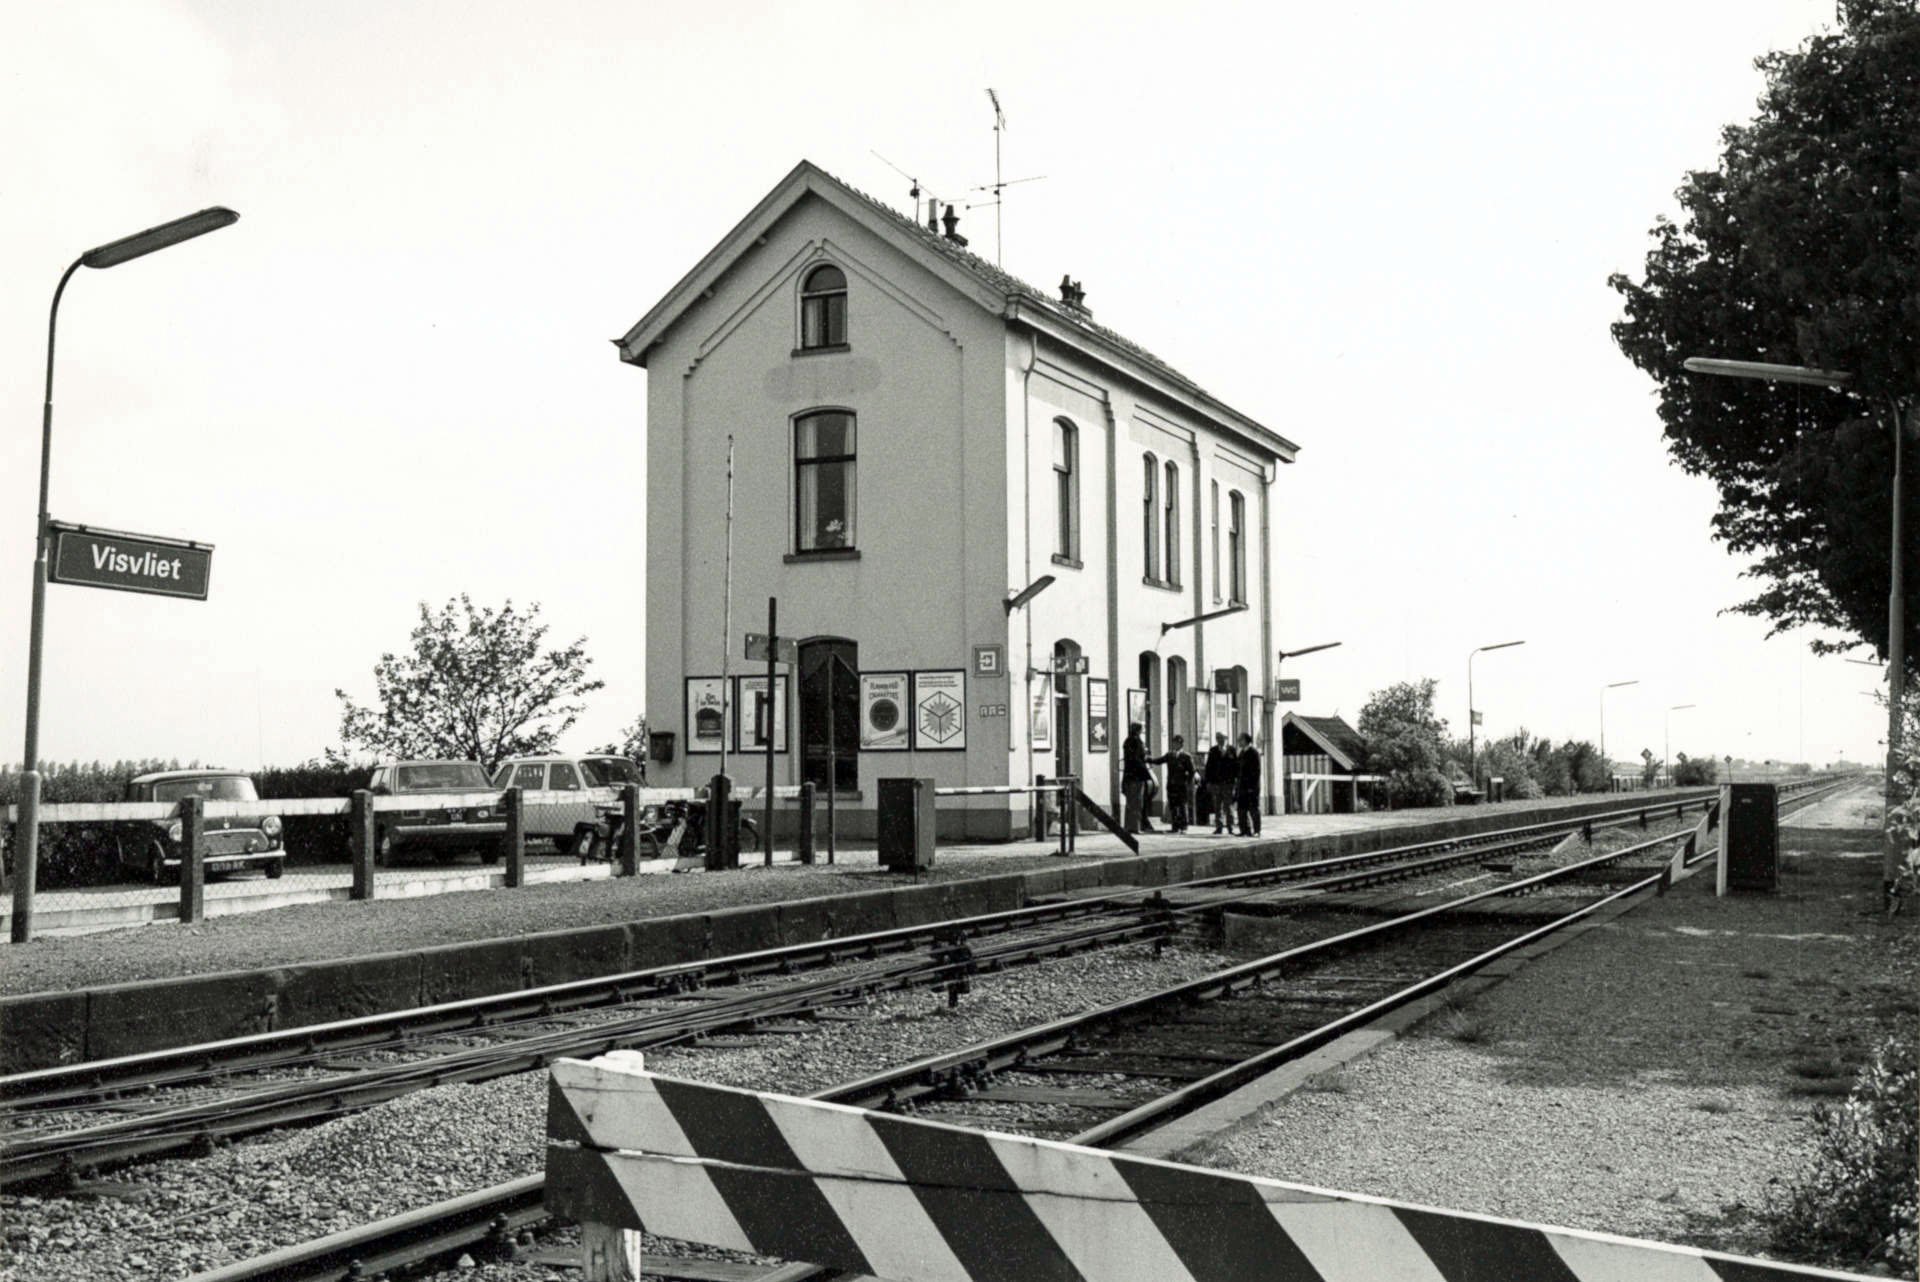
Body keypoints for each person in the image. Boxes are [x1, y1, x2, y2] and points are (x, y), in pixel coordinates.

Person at [1150, 734, 1195, 832]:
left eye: (1177, 743)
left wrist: (1188, 782)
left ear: (1181, 744)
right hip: (1171, 784)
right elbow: (1160, 760)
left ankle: (1184, 826)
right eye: (1173, 743)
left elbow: (1192, 771)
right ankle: (1175, 826)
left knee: (1182, 805)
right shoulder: (1170, 755)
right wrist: (1149, 760)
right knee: (1173, 805)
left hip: (1182, 785)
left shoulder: (1186, 756)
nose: (1175, 745)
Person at [1121, 722, 1157, 834]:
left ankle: (1128, 826)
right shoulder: (1136, 741)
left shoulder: (1127, 741)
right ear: (1138, 730)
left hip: (1128, 775)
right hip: (1137, 776)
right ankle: (1135, 827)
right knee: (1137, 802)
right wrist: (1146, 760)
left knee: (1130, 803)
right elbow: (1138, 758)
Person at [1203, 733, 1237, 834]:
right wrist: (1208, 781)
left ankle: (1231, 826)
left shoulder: (1231, 750)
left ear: (1226, 739)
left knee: (1229, 805)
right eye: (1218, 739)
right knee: (1217, 806)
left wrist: (1235, 780)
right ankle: (1219, 826)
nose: (1220, 740)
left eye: (1222, 738)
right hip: (1216, 782)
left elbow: (1236, 766)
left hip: (1228, 782)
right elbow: (1209, 767)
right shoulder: (1213, 750)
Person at [1235, 732, 1263, 836]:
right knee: (1241, 809)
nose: (1239, 742)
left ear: (1246, 740)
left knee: (1253, 809)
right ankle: (1244, 830)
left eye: (1240, 740)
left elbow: (1256, 771)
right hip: (1242, 786)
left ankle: (1257, 830)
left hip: (1252, 787)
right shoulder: (1241, 753)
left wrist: (1253, 786)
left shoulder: (1254, 753)